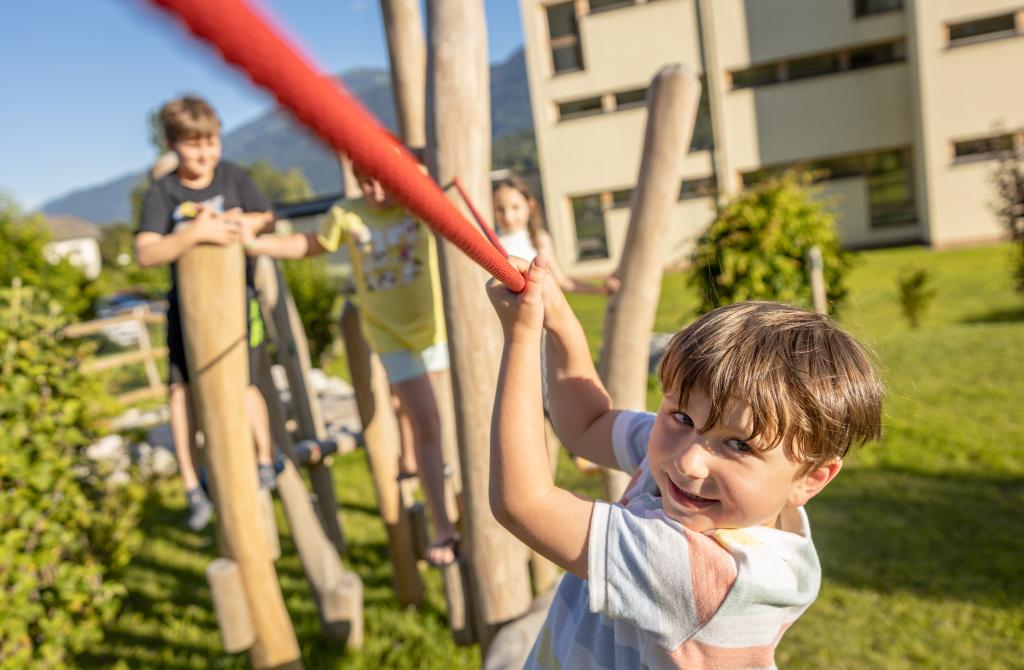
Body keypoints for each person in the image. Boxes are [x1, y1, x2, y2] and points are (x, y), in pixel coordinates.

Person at [486, 256, 883, 668]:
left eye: (740, 446)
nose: (690, 461)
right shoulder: (690, 463)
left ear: (812, 478)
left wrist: (521, 336)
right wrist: (560, 322)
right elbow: (588, 426)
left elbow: (523, 504)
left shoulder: (710, 576)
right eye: (681, 416)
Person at [242, 163, 459, 567]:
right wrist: (256, 245)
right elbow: (311, 244)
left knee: (444, 421)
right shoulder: (348, 213)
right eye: (366, 181)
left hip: (435, 329)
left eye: (384, 178)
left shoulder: (416, 205)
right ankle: (443, 525)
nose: (376, 189)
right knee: (427, 421)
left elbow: (449, 200)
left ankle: (441, 483)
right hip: (391, 337)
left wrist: (414, 174)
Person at [135, 95, 280, 532]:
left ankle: (264, 460)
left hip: (239, 304)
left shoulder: (233, 177)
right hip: (188, 313)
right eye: (194, 145)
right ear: (173, 145)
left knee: (247, 383)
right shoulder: (164, 192)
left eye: (211, 142)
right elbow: (146, 252)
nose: (205, 153)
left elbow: (267, 216)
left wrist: (249, 225)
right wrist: (195, 232)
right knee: (182, 394)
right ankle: (192, 483)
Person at [492, 176, 619, 295]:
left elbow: (561, 280)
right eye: (500, 209)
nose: (508, 217)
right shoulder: (491, 240)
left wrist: (599, 290)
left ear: (529, 205)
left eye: (515, 207)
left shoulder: (539, 239)